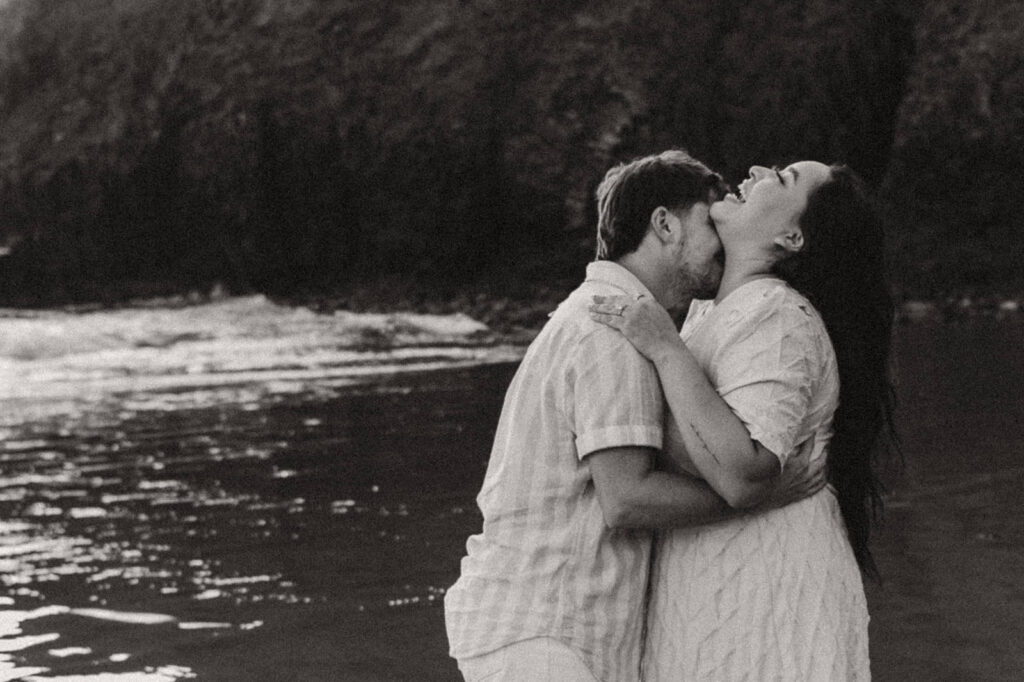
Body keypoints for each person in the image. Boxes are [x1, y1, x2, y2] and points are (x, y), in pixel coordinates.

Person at [444, 150, 825, 682]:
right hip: (543, 632)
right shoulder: (611, 328)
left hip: (552, 629)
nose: (719, 241)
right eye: (707, 220)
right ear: (665, 225)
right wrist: (763, 497)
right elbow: (626, 499)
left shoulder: (623, 319)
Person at [590, 161, 897, 680]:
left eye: (782, 178)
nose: (756, 170)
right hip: (718, 583)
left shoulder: (775, 315)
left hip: (768, 591)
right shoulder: (715, 311)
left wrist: (665, 350)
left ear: (791, 235)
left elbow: (743, 472)